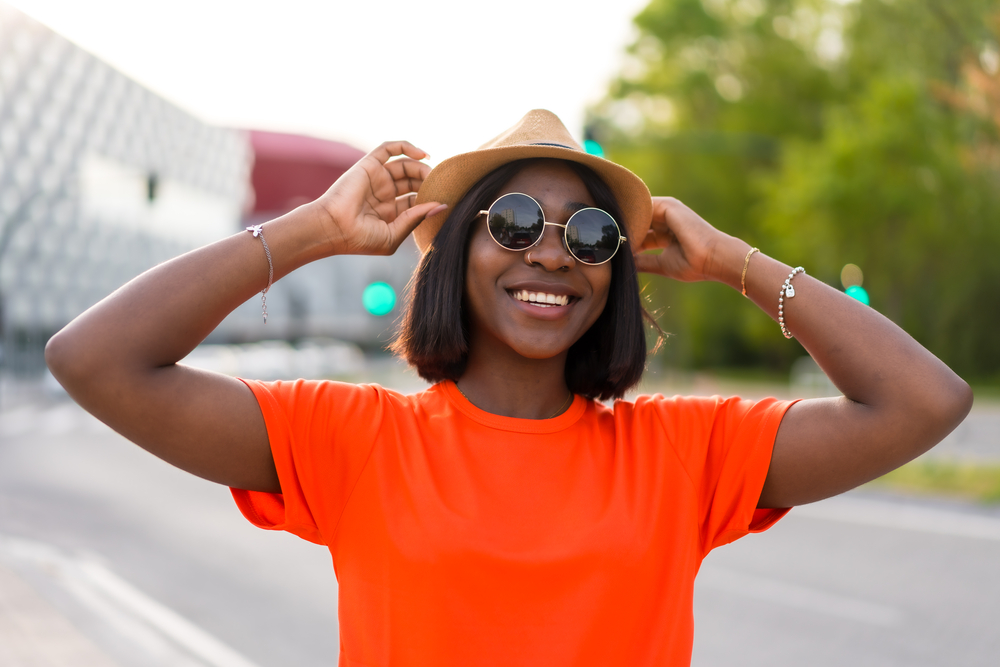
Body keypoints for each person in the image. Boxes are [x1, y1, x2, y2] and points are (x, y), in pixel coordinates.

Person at [46, 109, 972, 666]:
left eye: (591, 236)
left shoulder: (685, 452)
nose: (550, 254)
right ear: (458, 252)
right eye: (516, 220)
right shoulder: (351, 436)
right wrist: (316, 230)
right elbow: (96, 360)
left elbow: (924, 403)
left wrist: (737, 263)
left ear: (614, 272)